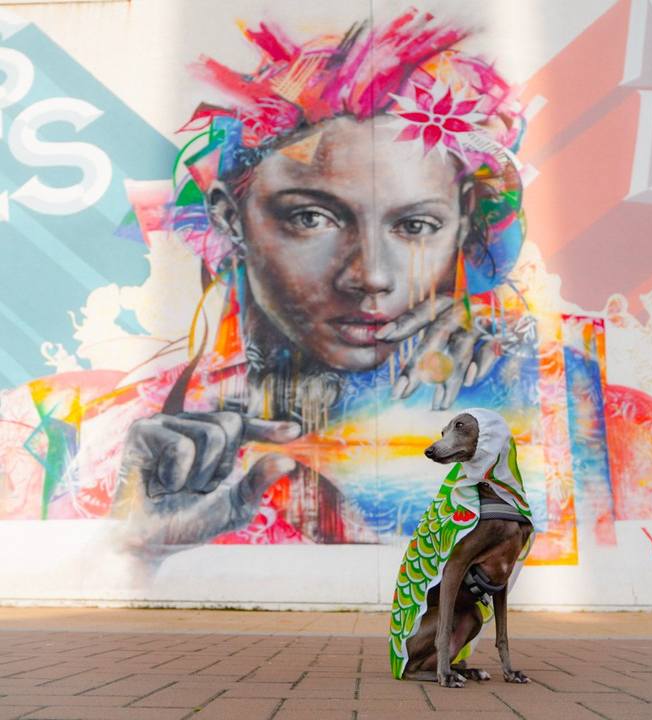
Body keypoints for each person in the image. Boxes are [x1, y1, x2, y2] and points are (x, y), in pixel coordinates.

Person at [109, 11, 537, 559]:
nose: (371, 276)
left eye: (416, 226)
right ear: (229, 217)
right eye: (311, 218)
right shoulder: (120, 433)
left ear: (465, 223)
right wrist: (138, 552)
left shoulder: (553, 388)